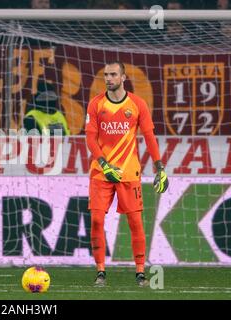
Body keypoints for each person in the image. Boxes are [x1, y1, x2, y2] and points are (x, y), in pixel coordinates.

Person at [85, 61, 168, 287]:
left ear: (123, 77)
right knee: (95, 220)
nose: (109, 78)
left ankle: (140, 272)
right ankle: (100, 271)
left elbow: (149, 136)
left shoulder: (137, 104)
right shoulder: (96, 104)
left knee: (135, 222)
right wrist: (104, 164)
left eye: (113, 74)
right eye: (106, 75)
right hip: (101, 173)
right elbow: (90, 138)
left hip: (129, 172)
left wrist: (159, 166)